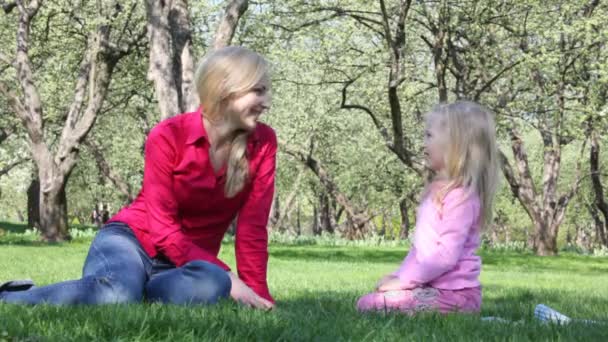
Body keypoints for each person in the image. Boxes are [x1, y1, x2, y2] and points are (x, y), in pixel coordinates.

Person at [0, 46, 276, 310]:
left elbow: (252, 228)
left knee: (213, 281)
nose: (267, 103)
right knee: (118, 295)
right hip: (131, 242)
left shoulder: (264, 143)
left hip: (181, 265)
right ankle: (9, 297)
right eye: (258, 91)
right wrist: (230, 276)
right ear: (226, 91)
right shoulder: (169, 135)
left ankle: (143, 289)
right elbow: (164, 229)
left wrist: (257, 296)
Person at [357, 101, 500, 315]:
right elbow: (421, 252)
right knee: (371, 301)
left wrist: (403, 281)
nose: (424, 144)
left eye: (429, 136)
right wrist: (399, 277)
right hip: (435, 290)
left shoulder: (461, 198)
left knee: (371, 304)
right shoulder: (440, 191)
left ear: (455, 145)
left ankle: (463, 312)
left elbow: (443, 255)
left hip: (455, 295)